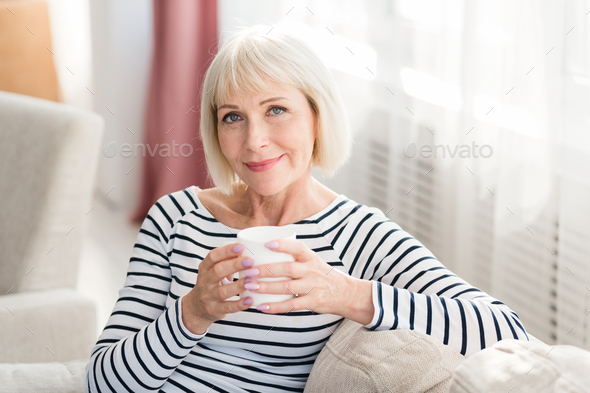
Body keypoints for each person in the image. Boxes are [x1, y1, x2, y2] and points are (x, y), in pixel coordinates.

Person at [85, 25, 528, 393]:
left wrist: (347, 295)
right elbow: (102, 382)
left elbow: (506, 331)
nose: (255, 140)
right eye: (233, 117)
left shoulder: (359, 233)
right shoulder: (175, 217)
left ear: (317, 117)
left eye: (276, 110)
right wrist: (193, 312)